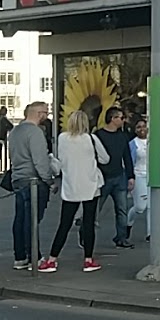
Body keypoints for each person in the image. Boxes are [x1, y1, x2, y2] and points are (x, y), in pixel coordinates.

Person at [36, 110, 105, 274]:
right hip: (91, 185)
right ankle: (88, 259)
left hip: (71, 186)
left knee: (64, 224)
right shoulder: (91, 139)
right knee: (88, 224)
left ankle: (52, 259)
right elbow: (104, 158)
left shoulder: (62, 138)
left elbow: (60, 162)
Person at [9, 103, 55, 271]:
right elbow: (40, 160)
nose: (47, 116)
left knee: (20, 219)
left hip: (18, 178)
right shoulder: (35, 132)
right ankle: (34, 257)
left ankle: (20, 256)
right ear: (38, 113)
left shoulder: (15, 132)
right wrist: (49, 180)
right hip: (34, 180)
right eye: (46, 113)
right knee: (32, 220)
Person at [93, 107, 135, 249]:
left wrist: (130, 176)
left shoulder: (122, 136)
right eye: (121, 118)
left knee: (122, 209)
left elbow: (127, 157)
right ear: (113, 118)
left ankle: (121, 237)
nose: (123, 121)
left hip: (119, 176)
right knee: (95, 209)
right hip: (103, 177)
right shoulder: (98, 135)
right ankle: (86, 233)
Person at [127, 117, 150, 242]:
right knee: (140, 207)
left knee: (152, 207)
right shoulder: (132, 144)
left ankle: (150, 233)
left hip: (152, 176)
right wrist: (130, 177)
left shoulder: (153, 141)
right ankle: (128, 223)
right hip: (138, 175)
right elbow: (129, 161)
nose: (142, 129)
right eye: (138, 127)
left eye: (144, 126)